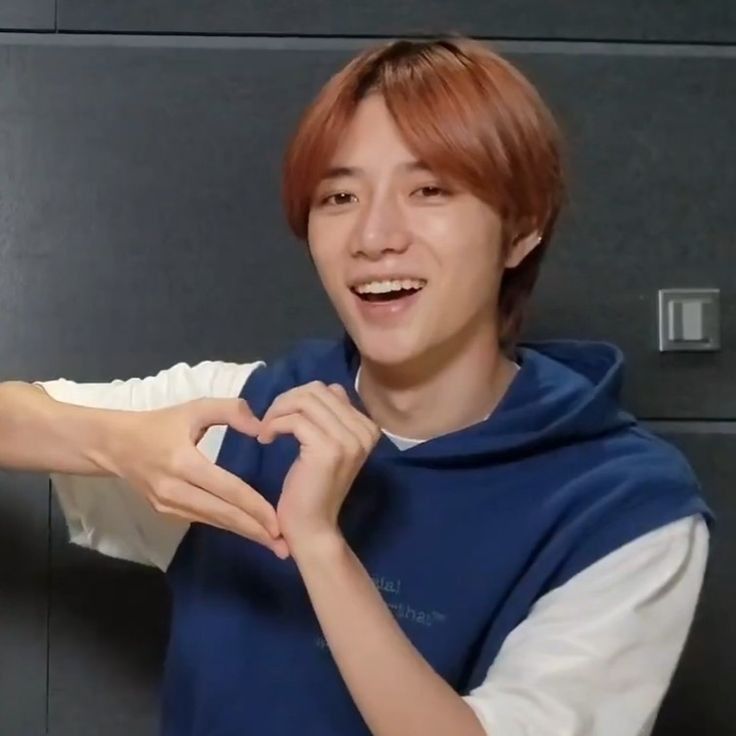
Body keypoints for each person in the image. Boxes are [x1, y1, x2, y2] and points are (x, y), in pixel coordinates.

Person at [0, 37, 712, 736]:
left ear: (522, 227)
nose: (373, 236)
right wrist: (121, 444)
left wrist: (319, 542)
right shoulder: (244, 414)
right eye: (339, 195)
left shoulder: (629, 507)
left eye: (429, 189)